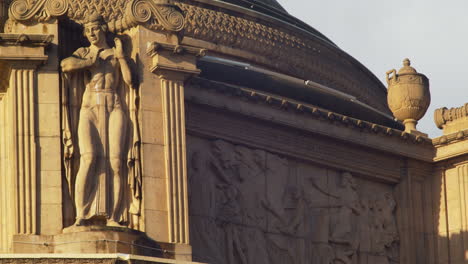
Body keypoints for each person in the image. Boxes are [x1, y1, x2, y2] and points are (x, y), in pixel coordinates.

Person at [61, 13, 139, 227]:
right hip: (89, 108)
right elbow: (65, 65)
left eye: (94, 29)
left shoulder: (115, 54)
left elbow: (130, 80)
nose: (91, 33)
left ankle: (114, 217)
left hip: (113, 105)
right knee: (89, 158)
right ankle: (81, 215)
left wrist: (122, 56)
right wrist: (89, 61)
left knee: (116, 162)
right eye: (87, 31)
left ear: (103, 29)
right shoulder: (83, 52)